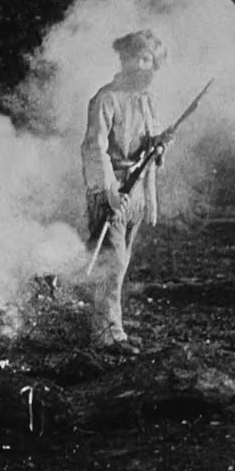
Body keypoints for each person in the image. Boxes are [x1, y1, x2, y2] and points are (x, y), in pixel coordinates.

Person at [81, 29, 175, 355]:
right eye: (137, 57)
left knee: (122, 264)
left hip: (136, 192)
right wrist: (109, 191)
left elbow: (149, 144)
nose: (143, 65)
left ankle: (114, 330)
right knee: (112, 261)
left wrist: (159, 144)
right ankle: (105, 335)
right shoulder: (106, 99)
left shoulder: (146, 100)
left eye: (149, 59)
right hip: (111, 189)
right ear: (124, 59)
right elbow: (94, 149)